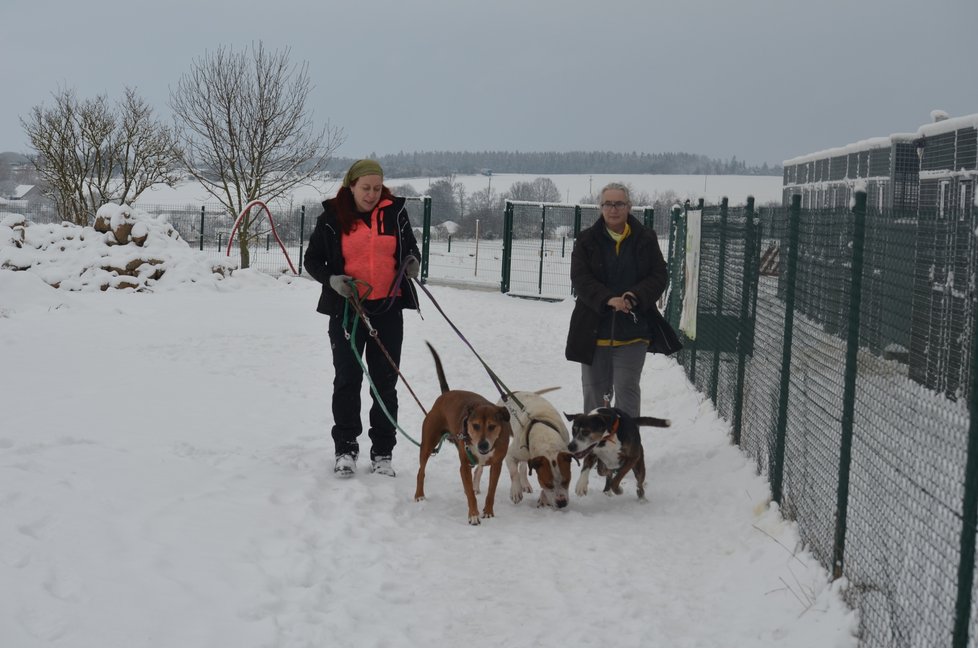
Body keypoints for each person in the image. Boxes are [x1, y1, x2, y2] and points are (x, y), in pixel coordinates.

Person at [304, 159, 421, 478]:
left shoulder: (395, 213)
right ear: (351, 186)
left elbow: (410, 248)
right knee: (347, 379)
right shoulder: (332, 216)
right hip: (348, 311)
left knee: (385, 382)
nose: (371, 194)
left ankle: (383, 452)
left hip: (388, 310)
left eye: (376, 188)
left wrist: (412, 262)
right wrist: (332, 281)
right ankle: (346, 448)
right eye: (365, 188)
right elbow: (312, 259)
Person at [565, 182, 680, 417]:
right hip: (592, 330)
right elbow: (580, 278)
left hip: (633, 331)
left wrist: (635, 296)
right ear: (600, 207)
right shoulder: (586, 239)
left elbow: (658, 275)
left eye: (619, 203)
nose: (613, 209)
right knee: (595, 396)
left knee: (627, 391)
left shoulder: (645, 238)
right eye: (608, 204)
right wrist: (608, 299)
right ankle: (595, 449)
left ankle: (627, 449)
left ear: (629, 207)